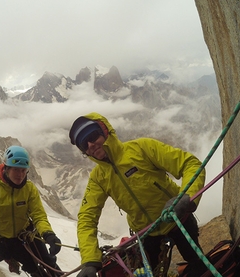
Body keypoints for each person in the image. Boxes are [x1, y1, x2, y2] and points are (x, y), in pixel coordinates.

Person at [69, 112, 206, 277]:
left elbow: (190, 163)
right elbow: (86, 218)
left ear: (105, 132)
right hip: (147, 231)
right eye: (84, 144)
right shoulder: (98, 178)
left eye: (92, 136)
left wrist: (186, 196)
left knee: (197, 263)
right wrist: (90, 261)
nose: (91, 144)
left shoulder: (141, 148)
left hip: (178, 217)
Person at [0, 145, 62, 277]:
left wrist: (48, 234)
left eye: (24, 171)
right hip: (9, 241)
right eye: (16, 170)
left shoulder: (29, 189)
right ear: (6, 168)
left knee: (49, 262)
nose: (20, 175)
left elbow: (38, 215)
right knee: (31, 267)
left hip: (29, 234)